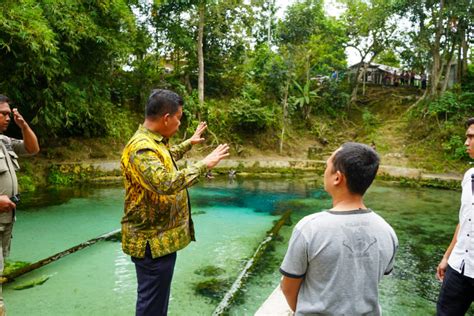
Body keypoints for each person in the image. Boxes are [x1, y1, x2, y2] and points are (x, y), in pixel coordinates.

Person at [121, 89, 229, 316]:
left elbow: (167, 156)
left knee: (157, 303)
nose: (180, 124)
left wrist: (190, 143)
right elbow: (165, 183)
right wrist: (205, 164)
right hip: (151, 242)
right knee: (151, 305)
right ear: (166, 118)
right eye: (179, 118)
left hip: (160, 241)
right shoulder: (140, 148)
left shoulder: (154, 142)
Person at [279, 142, 398, 315]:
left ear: (337, 177)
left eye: (327, 166)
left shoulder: (309, 228)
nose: (324, 171)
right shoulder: (387, 231)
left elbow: (288, 287)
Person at [0, 95, 39, 315]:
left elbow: (33, 148)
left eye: (9, 113)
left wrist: (23, 125)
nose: (7, 118)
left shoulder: (4, 141)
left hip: (5, 223)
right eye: (3, 113)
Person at [436, 117, 474, 315]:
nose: (466, 143)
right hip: (458, 267)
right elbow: (464, 221)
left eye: (471, 137)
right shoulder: (469, 177)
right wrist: (447, 256)